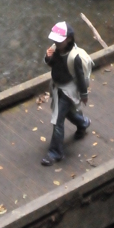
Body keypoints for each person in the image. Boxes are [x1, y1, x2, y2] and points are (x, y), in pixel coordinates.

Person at [41, 20, 91, 166]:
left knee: (57, 120)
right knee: (67, 113)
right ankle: (83, 123)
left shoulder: (74, 57)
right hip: (58, 86)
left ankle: (55, 152)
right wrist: (48, 58)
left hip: (68, 90)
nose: (56, 43)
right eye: (55, 40)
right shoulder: (55, 49)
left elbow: (80, 77)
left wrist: (84, 94)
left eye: (59, 40)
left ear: (68, 39)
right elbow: (51, 64)